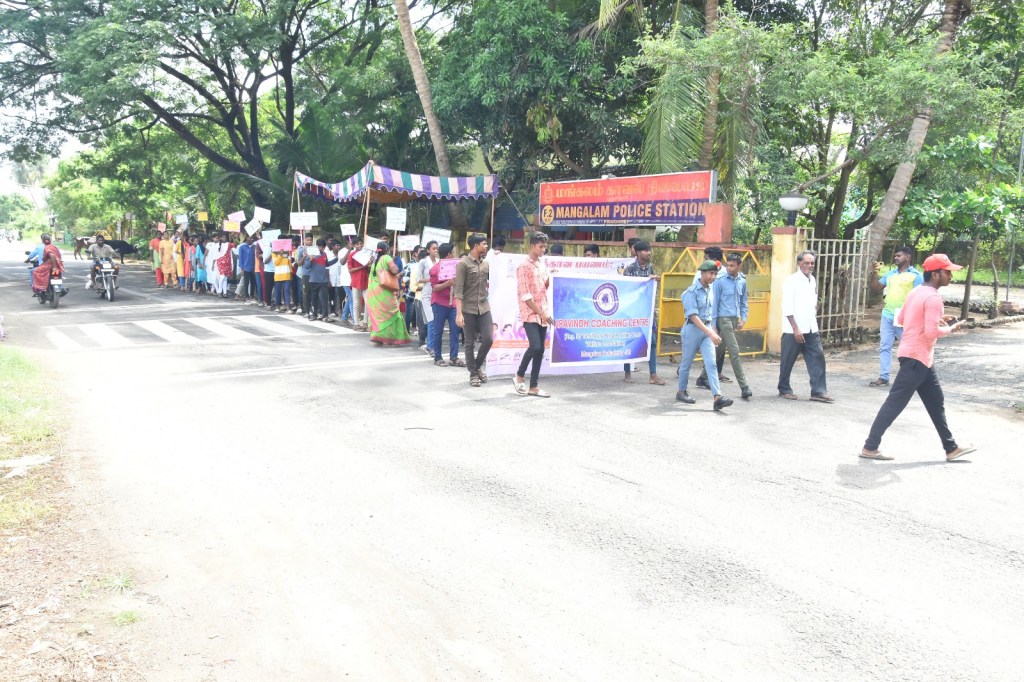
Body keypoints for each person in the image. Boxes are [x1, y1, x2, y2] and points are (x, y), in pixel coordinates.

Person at [861, 254, 975, 462]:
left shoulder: (916, 292)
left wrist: (936, 319)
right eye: (947, 272)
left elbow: (902, 318)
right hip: (917, 358)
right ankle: (870, 447)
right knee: (894, 403)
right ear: (935, 274)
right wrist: (951, 328)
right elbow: (931, 332)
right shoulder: (933, 298)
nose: (950, 276)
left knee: (936, 402)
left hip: (918, 357)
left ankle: (951, 447)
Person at [676, 261, 733, 411]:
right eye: (711, 273)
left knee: (711, 363)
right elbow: (693, 316)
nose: (713, 277)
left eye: (715, 274)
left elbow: (710, 312)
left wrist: (712, 329)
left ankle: (717, 397)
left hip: (707, 329)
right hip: (692, 329)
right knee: (686, 363)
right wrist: (710, 333)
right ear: (702, 273)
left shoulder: (711, 290)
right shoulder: (692, 292)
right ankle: (681, 391)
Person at [778, 250, 833, 402]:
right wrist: (795, 328)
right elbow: (787, 306)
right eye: (806, 263)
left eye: (812, 263)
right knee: (788, 360)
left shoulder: (812, 280)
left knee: (817, 358)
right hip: (793, 329)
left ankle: (818, 391)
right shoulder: (791, 281)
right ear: (799, 263)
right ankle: (784, 388)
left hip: (811, 327)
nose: (810, 266)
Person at [869, 246, 923, 387]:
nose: (896, 258)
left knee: (907, 348)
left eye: (899, 256)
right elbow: (875, 289)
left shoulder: (916, 276)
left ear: (907, 257)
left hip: (904, 316)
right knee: (884, 346)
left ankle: (910, 377)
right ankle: (884, 377)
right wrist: (875, 273)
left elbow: (920, 297)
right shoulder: (890, 274)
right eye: (895, 256)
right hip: (887, 314)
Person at [513, 232, 554, 397]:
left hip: (543, 310)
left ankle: (534, 386)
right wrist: (541, 313)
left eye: (545, 247)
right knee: (535, 346)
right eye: (540, 246)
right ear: (532, 245)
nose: (543, 249)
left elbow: (543, 287)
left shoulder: (542, 264)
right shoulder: (523, 266)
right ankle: (519, 375)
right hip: (530, 312)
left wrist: (552, 277)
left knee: (540, 350)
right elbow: (525, 296)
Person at [621, 240, 667, 386]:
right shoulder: (629, 269)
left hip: (648, 311)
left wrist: (654, 280)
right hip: (633, 312)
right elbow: (627, 289)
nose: (649, 253)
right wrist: (645, 280)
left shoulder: (650, 267)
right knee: (629, 340)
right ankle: (627, 372)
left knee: (652, 341)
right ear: (638, 252)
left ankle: (653, 375)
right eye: (646, 251)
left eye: (649, 250)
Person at [711, 253, 752, 399]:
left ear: (739, 265)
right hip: (723, 320)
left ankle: (703, 377)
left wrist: (743, 319)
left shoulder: (742, 281)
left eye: (732, 266)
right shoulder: (720, 281)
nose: (729, 268)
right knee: (734, 352)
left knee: (719, 350)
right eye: (728, 265)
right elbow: (714, 304)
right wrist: (714, 325)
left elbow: (743, 302)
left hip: (734, 320)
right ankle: (744, 386)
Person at [454, 234, 493, 387]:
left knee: (488, 339)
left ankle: (477, 366)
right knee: (469, 343)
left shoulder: (486, 264)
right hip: (468, 309)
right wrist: (459, 314)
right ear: (476, 246)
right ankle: (474, 373)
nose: (486, 246)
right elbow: (458, 291)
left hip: (484, 307)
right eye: (484, 244)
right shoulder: (463, 264)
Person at [695, 246, 731, 388]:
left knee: (720, 344)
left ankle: (716, 372)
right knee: (699, 342)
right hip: (704, 313)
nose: (704, 260)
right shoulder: (702, 273)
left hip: (721, 312)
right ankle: (686, 367)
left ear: (715, 260)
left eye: (706, 258)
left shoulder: (725, 272)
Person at [366, 240, 412, 346]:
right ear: (387, 249)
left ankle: (378, 338)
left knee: (378, 315)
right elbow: (394, 270)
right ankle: (392, 338)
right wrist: (397, 268)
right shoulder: (386, 258)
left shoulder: (375, 260)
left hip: (374, 292)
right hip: (384, 291)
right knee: (393, 313)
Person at [430, 243, 463, 368]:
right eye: (452, 253)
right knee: (438, 331)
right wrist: (448, 283)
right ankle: (438, 357)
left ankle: (454, 357)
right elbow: (435, 288)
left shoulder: (456, 266)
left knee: (455, 330)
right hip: (439, 303)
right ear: (449, 254)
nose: (453, 255)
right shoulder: (435, 269)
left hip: (453, 303)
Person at [414, 242, 438, 354]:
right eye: (433, 248)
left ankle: (432, 344)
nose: (436, 250)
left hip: (437, 293)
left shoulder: (439, 261)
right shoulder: (423, 262)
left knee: (436, 320)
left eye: (437, 248)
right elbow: (418, 279)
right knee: (431, 319)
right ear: (428, 250)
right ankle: (430, 346)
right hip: (427, 294)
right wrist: (430, 279)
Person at [307, 238, 333, 321]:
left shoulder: (325, 254)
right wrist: (310, 260)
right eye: (320, 247)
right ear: (317, 246)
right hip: (314, 280)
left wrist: (336, 259)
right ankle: (314, 314)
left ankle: (325, 316)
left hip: (323, 280)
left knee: (324, 298)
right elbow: (307, 267)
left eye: (323, 247)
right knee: (314, 299)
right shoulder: (312, 254)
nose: (321, 249)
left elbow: (326, 264)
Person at [348, 238, 370, 331]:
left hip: (365, 281)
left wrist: (370, 263)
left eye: (361, 243)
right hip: (356, 281)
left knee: (368, 303)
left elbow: (369, 268)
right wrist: (362, 267)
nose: (360, 245)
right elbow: (350, 270)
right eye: (357, 244)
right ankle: (356, 324)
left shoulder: (366, 254)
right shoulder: (351, 255)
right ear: (353, 245)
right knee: (356, 303)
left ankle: (365, 322)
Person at [271, 246, 293, 311]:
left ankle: (288, 307)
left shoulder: (288, 252)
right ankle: (277, 307)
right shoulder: (274, 253)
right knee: (277, 291)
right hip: (278, 275)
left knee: (287, 291)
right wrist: (280, 255)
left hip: (286, 274)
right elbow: (276, 263)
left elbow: (289, 262)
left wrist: (291, 272)